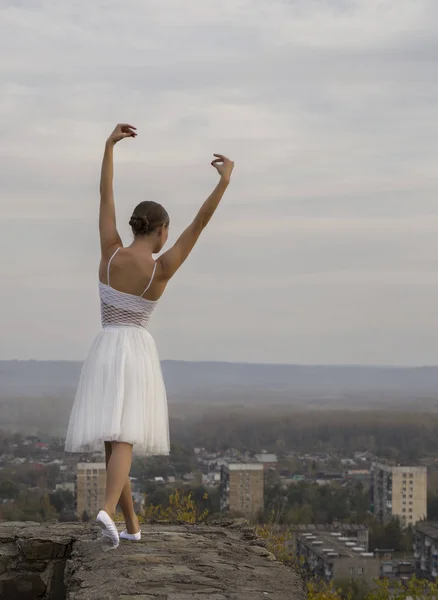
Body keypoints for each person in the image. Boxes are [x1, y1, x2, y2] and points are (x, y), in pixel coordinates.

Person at [65, 123, 234, 548]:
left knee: (113, 436)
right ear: (160, 231)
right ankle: (106, 510)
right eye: (166, 232)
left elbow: (105, 197)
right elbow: (199, 225)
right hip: (135, 349)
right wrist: (224, 182)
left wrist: (109, 147)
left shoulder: (109, 253)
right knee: (124, 437)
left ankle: (132, 527)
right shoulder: (160, 270)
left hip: (104, 346)